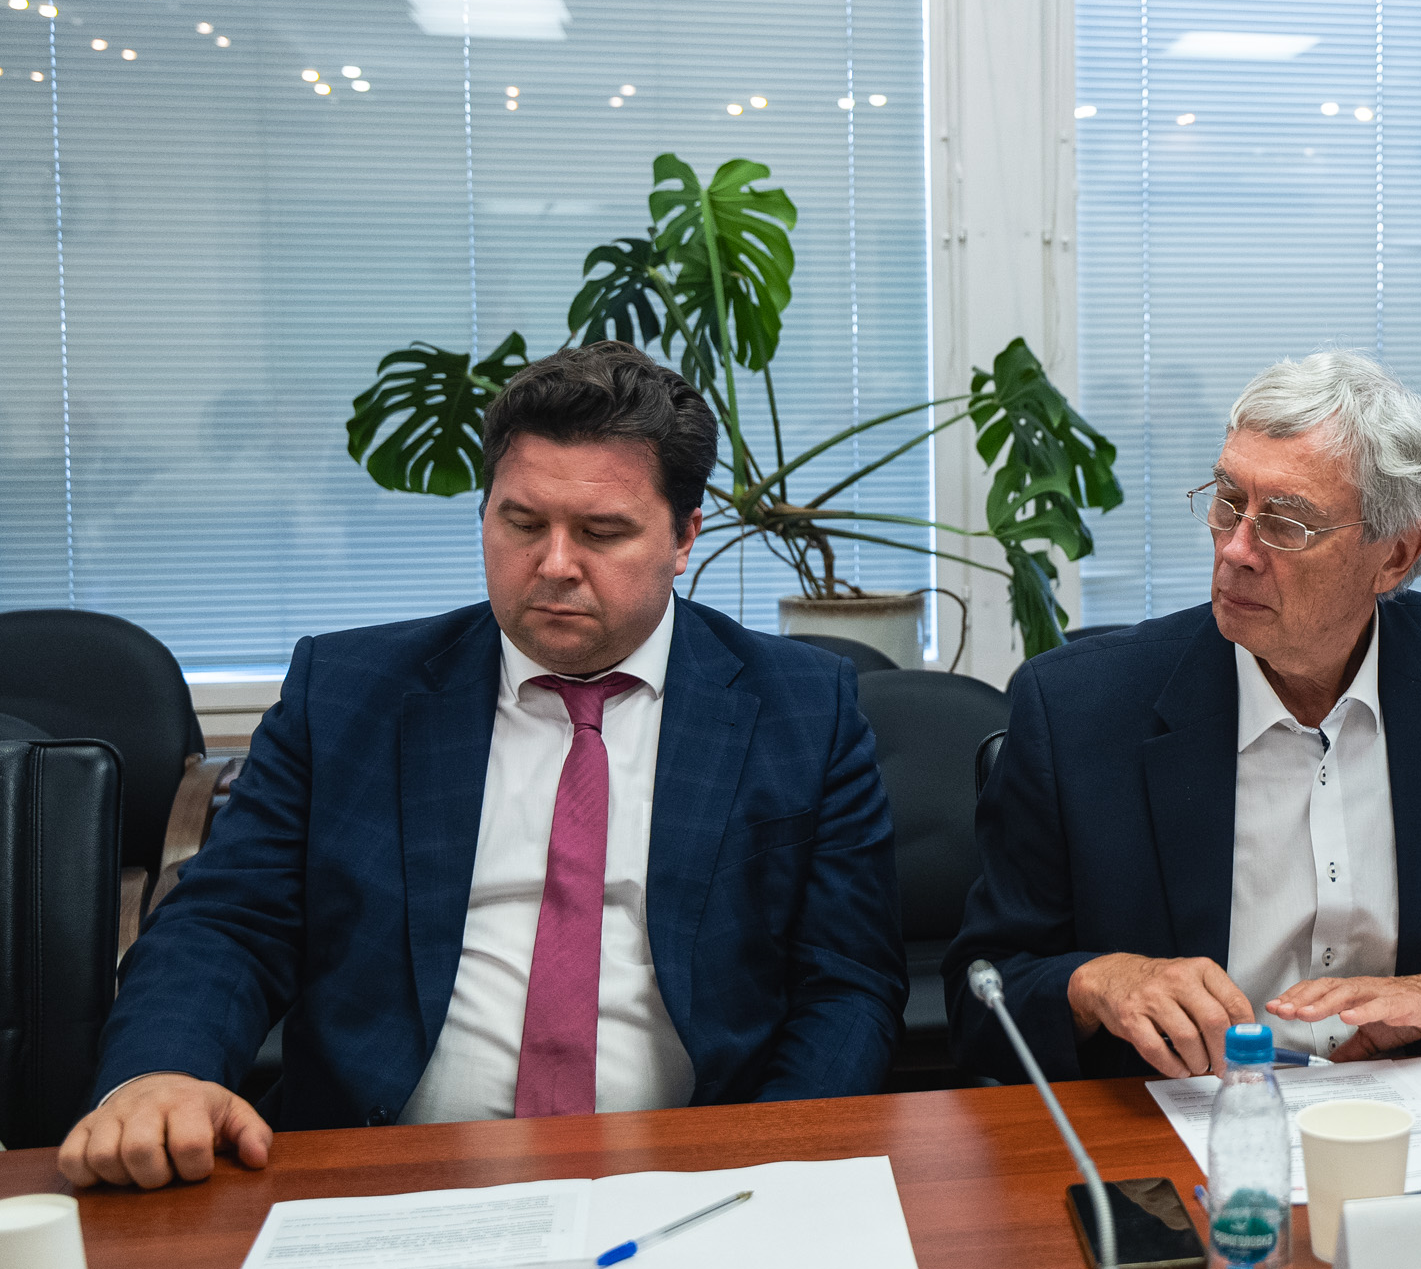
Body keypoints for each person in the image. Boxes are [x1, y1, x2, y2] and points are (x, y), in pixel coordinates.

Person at [62, 342, 907, 1189]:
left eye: (602, 532)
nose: (555, 564)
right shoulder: (350, 693)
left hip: (695, 1176)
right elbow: (229, 921)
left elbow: (847, 985)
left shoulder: (802, 708)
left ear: (684, 537)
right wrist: (161, 1074)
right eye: (522, 523)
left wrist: (768, 1166)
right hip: (383, 1172)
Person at [945, 353, 1421, 1082]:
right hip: (1190, 1112)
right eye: (1229, 501)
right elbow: (979, 996)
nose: (1236, 549)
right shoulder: (1080, 710)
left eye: (1286, 523)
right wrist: (1097, 984)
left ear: (1399, 554)